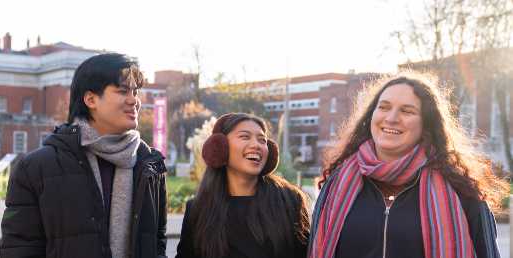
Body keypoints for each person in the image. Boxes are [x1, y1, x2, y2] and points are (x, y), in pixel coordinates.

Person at [308, 72, 507, 258]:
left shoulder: (463, 192)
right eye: (384, 107)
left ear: (427, 124)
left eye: (407, 111)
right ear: (372, 115)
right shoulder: (336, 185)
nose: (392, 118)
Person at [0, 53, 168, 258]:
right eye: (123, 91)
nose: (134, 100)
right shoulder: (36, 168)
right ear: (90, 99)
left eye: (135, 91)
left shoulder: (150, 166)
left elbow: (157, 243)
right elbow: (19, 248)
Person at [175, 113, 310, 258]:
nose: (256, 145)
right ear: (221, 147)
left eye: (262, 140)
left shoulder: (289, 200)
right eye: (245, 137)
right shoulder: (198, 209)